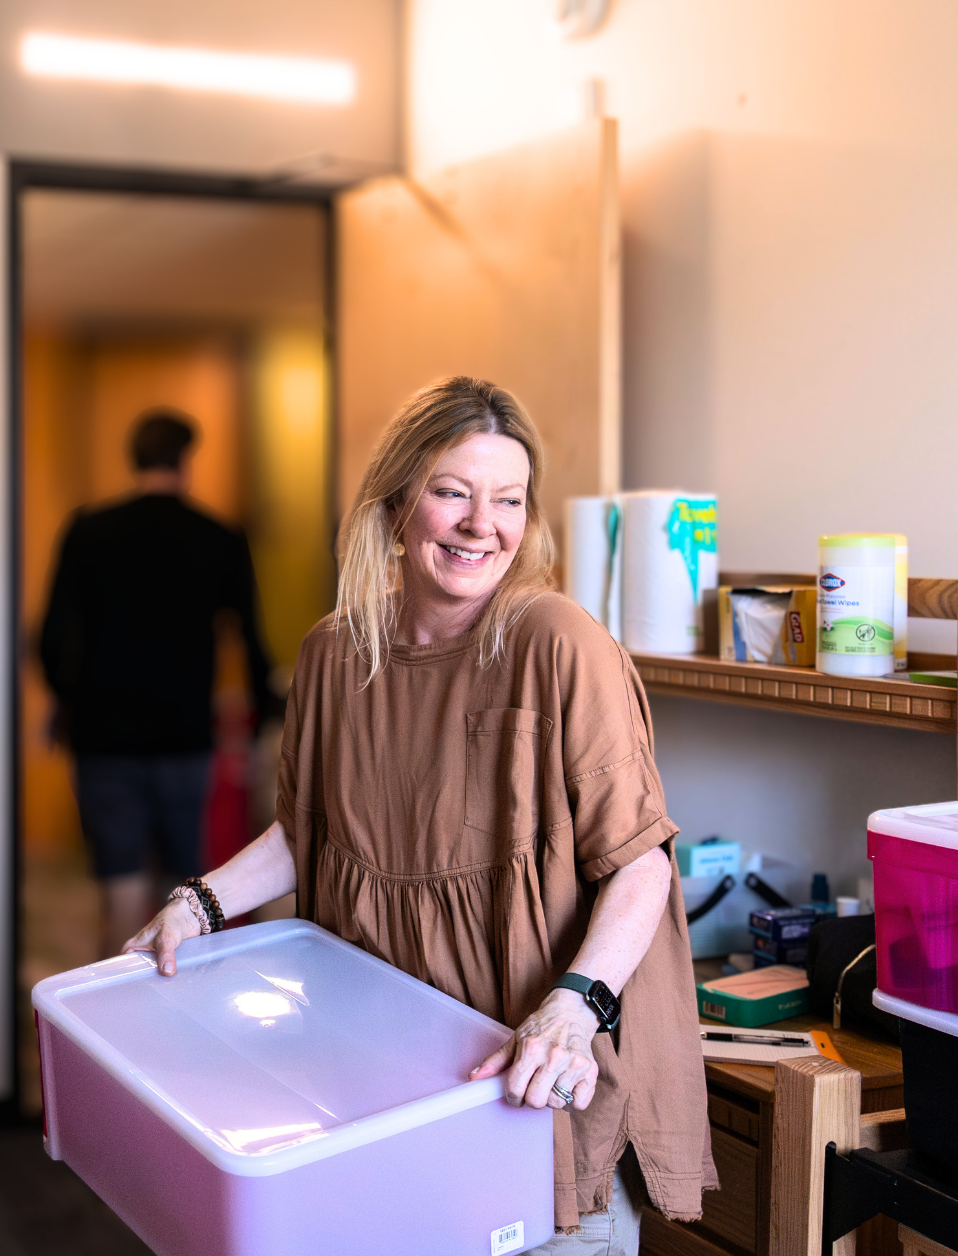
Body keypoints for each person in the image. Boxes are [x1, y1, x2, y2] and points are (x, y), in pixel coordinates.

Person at [125, 378, 713, 1254]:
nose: (482, 525)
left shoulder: (557, 641)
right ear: (398, 503)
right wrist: (196, 904)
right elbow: (305, 833)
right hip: (379, 1073)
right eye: (452, 492)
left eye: (507, 500)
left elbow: (639, 859)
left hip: (528, 1076)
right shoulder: (334, 651)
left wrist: (573, 1008)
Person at [40, 408, 284, 954]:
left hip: (104, 739)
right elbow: (252, 640)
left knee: (119, 892)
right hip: (185, 737)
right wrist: (259, 723)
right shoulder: (219, 537)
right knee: (183, 895)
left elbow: (52, 638)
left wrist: (66, 699)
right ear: (186, 461)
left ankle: (114, 999)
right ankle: (172, 1000)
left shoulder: (88, 531)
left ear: (134, 459)